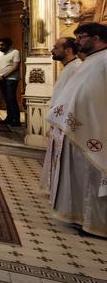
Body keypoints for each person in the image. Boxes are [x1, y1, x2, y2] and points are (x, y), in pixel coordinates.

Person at [45, 22, 107, 237]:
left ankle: (95, 224)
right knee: (83, 179)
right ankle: (84, 219)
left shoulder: (104, 61)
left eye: (82, 37)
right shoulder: (90, 62)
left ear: (96, 38)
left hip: (97, 131)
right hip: (78, 130)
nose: (78, 41)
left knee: (95, 179)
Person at [40, 36, 83, 193]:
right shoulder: (70, 67)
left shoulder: (77, 68)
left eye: (56, 47)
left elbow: (72, 100)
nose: (52, 50)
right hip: (60, 122)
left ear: (68, 50)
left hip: (66, 124)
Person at [0, 37, 21, 126]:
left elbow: (16, 66)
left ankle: (16, 120)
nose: (0, 47)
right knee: (6, 99)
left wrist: (4, 75)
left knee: (11, 98)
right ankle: (9, 118)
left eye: (2, 45)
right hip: (1, 79)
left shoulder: (15, 52)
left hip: (11, 79)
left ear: (8, 45)